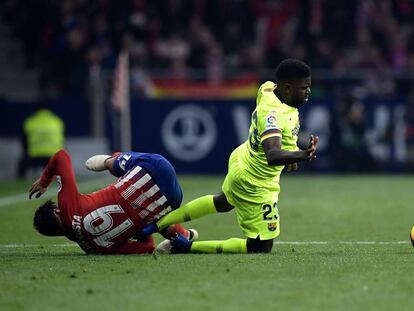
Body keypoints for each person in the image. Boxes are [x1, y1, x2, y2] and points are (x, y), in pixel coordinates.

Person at [138, 58, 319, 254]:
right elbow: (273, 155)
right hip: (255, 181)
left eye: (308, 86)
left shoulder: (268, 89)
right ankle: (185, 246)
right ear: (286, 88)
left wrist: (292, 155)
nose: (308, 91)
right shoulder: (273, 115)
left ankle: (157, 224)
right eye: (304, 88)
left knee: (223, 202)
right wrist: (302, 154)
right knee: (260, 246)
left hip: (243, 159)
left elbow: (282, 137)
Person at [29, 149, 197, 254]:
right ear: (57, 211)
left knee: (145, 222)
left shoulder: (94, 249)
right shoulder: (67, 208)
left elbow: (147, 247)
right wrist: (45, 181)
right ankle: (111, 160)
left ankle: (183, 235)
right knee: (115, 163)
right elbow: (61, 156)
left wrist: (139, 230)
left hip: (171, 201)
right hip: (156, 168)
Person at [18, 106, 65, 178]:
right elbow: (62, 139)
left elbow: (24, 141)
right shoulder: (57, 121)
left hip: (35, 157)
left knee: (22, 164)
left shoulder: (30, 122)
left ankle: (20, 181)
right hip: (53, 157)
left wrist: (26, 153)